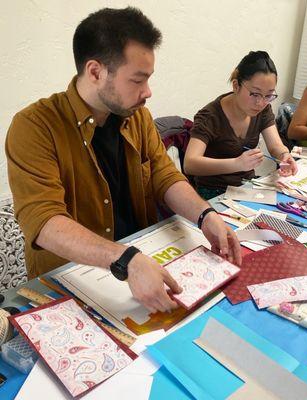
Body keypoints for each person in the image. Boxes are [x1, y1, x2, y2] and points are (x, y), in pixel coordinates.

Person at [6, 7, 241, 314]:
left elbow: (163, 174)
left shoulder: (136, 116)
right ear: (95, 72)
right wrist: (125, 259)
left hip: (144, 260)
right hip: (76, 279)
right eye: (137, 80)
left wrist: (205, 216)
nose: (148, 92)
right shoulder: (34, 127)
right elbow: (44, 222)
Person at [183, 51, 298, 200]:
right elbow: (190, 163)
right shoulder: (210, 116)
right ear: (236, 85)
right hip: (214, 193)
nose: (261, 103)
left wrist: (284, 155)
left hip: (247, 188)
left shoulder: (262, 110)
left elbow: (275, 145)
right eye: (255, 94)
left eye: (268, 95)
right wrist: (237, 164)